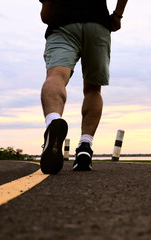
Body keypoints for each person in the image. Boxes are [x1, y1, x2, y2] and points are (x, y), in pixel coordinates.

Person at [39, 0, 128, 174]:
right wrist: (117, 15)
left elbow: (46, 15)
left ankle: (53, 121)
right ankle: (85, 146)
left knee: (56, 75)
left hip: (63, 26)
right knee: (93, 89)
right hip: (98, 24)